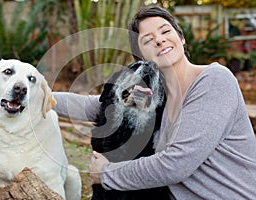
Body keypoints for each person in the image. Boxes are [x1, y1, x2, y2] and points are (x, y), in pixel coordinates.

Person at [53, 5, 256, 199]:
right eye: (148, 40)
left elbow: (177, 164)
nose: (159, 40)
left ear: (181, 38)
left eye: (165, 31)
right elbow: (96, 106)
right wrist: (37, 94)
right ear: (141, 56)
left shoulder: (214, 80)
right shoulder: (156, 98)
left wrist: (106, 173)